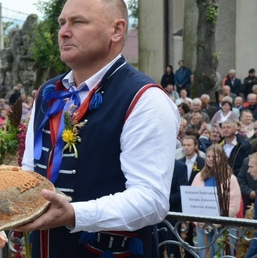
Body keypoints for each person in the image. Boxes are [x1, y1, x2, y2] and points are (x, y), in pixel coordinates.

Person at [16, 0, 179, 257]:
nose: (64, 31)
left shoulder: (145, 98)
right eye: (62, 23)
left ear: (116, 30)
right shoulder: (48, 92)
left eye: (77, 22)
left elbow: (152, 200)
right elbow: (30, 170)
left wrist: (74, 214)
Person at [191, 144, 241, 258]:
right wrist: (197, 221)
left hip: (224, 226)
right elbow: (192, 201)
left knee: (222, 254)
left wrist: (215, 223)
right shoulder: (199, 176)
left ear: (222, 158)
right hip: (202, 225)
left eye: (214, 157)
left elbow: (234, 207)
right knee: (204, 255)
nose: (210, 159)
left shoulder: (230, 178)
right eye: (208, 156)